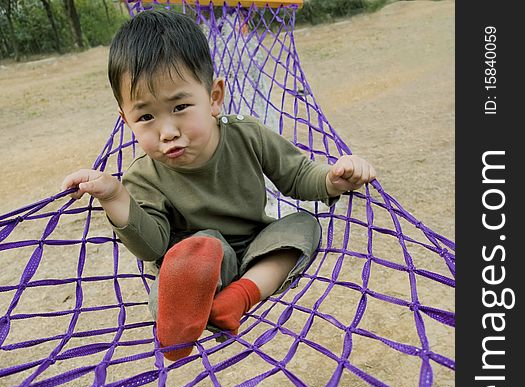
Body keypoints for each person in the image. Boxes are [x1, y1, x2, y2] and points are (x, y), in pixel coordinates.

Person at [61, 10, 376, 361]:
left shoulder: (248, 134)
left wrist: (332, 179)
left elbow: (298, 176)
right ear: (126, 120)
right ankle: (183, 314)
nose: (167, 131)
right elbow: (152, 245)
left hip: (256, 243)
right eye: (146, 117)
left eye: (180, 106)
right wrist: (115, 195)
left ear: (214, 97)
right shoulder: (143, 176)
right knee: (186, 261)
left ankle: (238, 298)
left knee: (303, 226)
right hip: (196, 264)